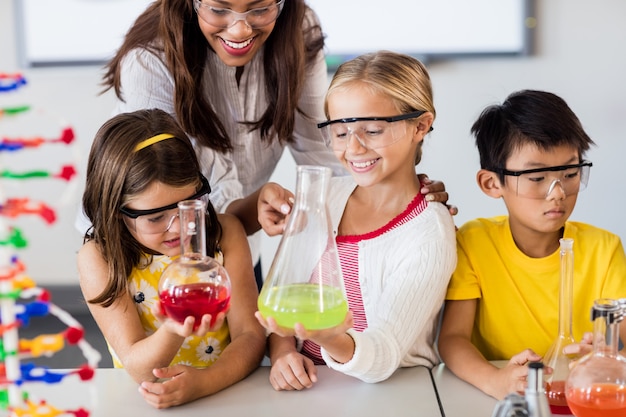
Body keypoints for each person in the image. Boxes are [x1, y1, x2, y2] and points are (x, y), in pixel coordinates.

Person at [98, 0, 454, 288]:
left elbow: (327, 148)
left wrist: (400, 201)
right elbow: (169, 184)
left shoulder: (299, 30)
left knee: (242, 362)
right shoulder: (149, 58)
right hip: (154, 245)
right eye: (219, 9)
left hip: (234, 242)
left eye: (260, 8)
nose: (240, 28)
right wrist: (251, 209)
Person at [255, 51, 457, 389]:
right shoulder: (324, 199)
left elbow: (383, 358)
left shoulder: (428, 233)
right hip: (312, 388)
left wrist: (329, 337)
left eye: (373, 130)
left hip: (394, 393)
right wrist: (282, 352)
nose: (354, 148)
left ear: (420, 125)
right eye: (341, 131)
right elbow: (283, 294)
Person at [437, 89, 626, 400]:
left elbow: (621, 338)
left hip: (578, 394)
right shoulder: (473, 243)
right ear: (492, 183)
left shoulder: (603, 249)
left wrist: (605, 349)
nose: (557, 193)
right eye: (537, 177)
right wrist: (495, 381)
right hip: (499, 400)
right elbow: (453, 340)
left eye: (569, 173)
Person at [77, 108, 266, 409]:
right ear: (116, 211)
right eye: (155, 218)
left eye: (188, 206)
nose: (178, 227)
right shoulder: (101, 259)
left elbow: (252, 336)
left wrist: (205, 382)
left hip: (228, 396)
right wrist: (174, 328)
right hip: (146, 404)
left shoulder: (225, 233)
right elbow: (137, 368)